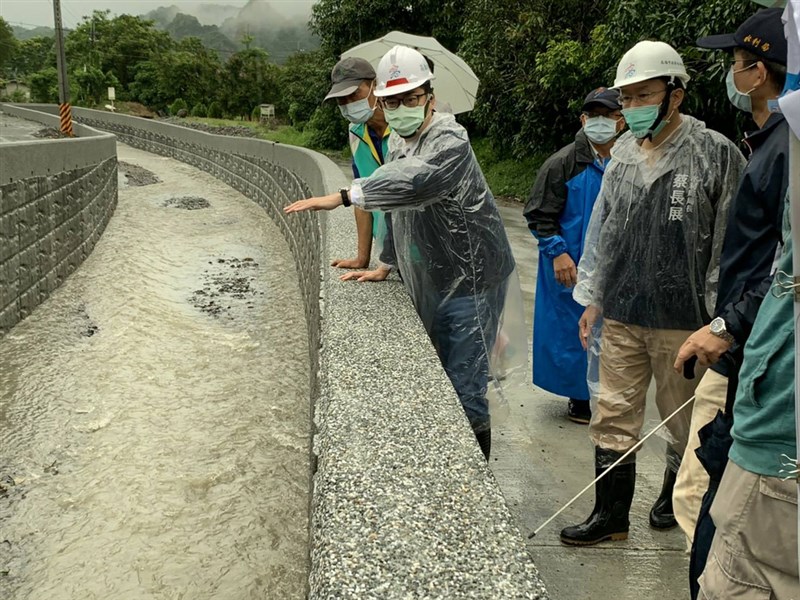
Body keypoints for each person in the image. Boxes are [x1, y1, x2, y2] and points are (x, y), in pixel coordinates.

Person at [284, 45, 520, 461]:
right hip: (434, 273)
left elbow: (413, 185)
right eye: (392, 101)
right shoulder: (399, 143)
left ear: (429, 95)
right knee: (439, 374)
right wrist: (386, 263)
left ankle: (473, 479)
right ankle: (447, 459)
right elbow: (398, 213)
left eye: (410, 98)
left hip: (474, 278)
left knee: (465, 383)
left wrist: (344, 195)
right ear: (381, 99)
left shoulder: (449, 138)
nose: (400, 107)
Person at [563, 40, 746, 546]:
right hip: (621, 311)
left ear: (676, 94)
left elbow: (730, 244)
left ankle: (672, 494)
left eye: (644, 95)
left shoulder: (715, 153)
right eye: (627, 99)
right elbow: (604, 231)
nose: (633, 108)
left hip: (684, 320)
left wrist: (718, 318)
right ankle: (611, 515)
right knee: (612, 411)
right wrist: (594, 297)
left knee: (682, 419)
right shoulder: (621, 152)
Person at [671, 6, 789, 564]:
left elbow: (786, 269)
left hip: (756, 353)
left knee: (710, 504)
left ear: (759, 72)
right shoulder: (766, 142)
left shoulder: (786, 150)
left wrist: (727, 324)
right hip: (747, 347)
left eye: (737, 64)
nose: (733, 78)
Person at [697, 193, 798, 599]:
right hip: (765, 419)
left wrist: (727, 326)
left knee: (736, 576)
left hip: (777, 444)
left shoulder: (780, 146)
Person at [524, 87, 624, 425]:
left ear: (620, 121)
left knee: (613, 326)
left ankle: (608, 391)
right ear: (582, 120)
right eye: (592, 115)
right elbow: (539, 213)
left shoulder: (629, 159)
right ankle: (579, 397)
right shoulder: (564, 162)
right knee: (572, 327)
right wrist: (556, 251)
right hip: (569, 260)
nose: (600, 122)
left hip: (612, 259)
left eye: (607, 115)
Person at [324, 57, 391, 269]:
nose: (348, 104)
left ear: (375, 85)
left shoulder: (404, 126)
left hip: (422, 252)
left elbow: (409, 196)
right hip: (390, 255)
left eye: (354, 94)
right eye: (341, 99)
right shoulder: (355, 132)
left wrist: (386, 264)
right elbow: (361, 194)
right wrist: (362, 258)